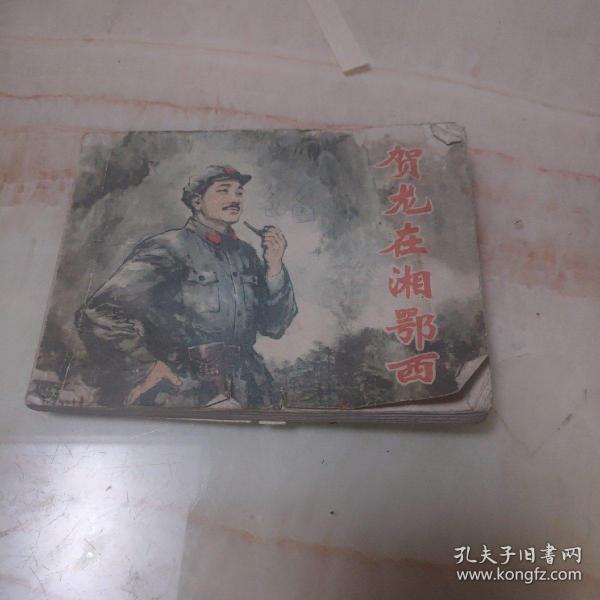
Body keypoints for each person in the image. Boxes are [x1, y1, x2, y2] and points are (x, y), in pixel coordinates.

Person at [77, 165, 297, 408]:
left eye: (239, 192)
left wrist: (274, 266)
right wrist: (146, 366)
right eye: (223, 190)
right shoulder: (169, 247)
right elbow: (98, 313)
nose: (234, 199)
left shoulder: (247, 254)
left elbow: (274, 327)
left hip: (250, 388)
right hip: (186, 389)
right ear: (197, 201)